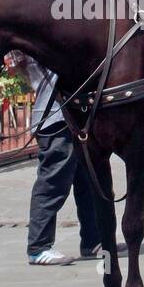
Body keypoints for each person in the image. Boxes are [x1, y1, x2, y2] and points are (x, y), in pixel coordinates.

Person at [15, 53, 104, 265]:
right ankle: (38, 247)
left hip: (74, 116)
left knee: (89, 183)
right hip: (56, 118)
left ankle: (92, 241)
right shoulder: (41, 42)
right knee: (53, 182)